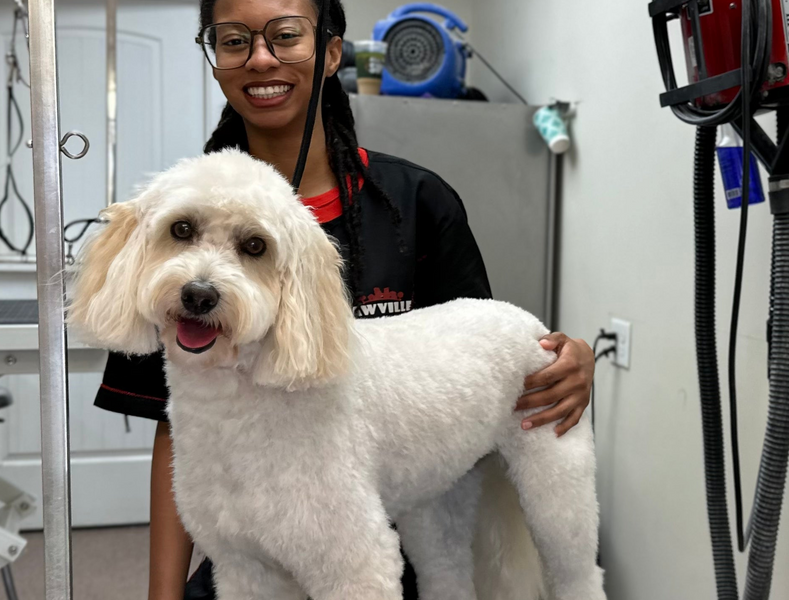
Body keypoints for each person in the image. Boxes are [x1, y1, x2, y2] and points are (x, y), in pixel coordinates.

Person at [91, 0, 596, 597]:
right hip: (245, 541)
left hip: (379, 555)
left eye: (285, 36)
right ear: (214, 55)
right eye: (233, 40)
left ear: (332, 51)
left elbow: (473, 355)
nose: (260, 58)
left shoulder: (417, 200)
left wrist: (572, 355)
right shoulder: (179, 199)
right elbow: (169, 428)